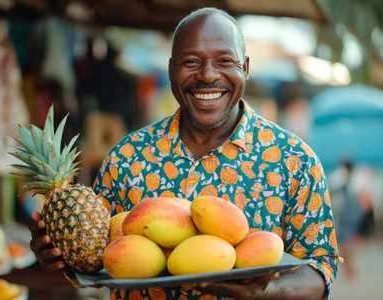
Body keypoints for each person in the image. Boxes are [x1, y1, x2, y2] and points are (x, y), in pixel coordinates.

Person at [29, 7, 342, 300]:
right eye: (191, 61)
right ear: (171, 70)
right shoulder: (126, 158)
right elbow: (96, 263)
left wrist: (266, 292)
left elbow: (321, 267)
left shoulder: (294, 161)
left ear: (245, 68)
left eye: (224, 61)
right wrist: (58, 256)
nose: (207, 75)